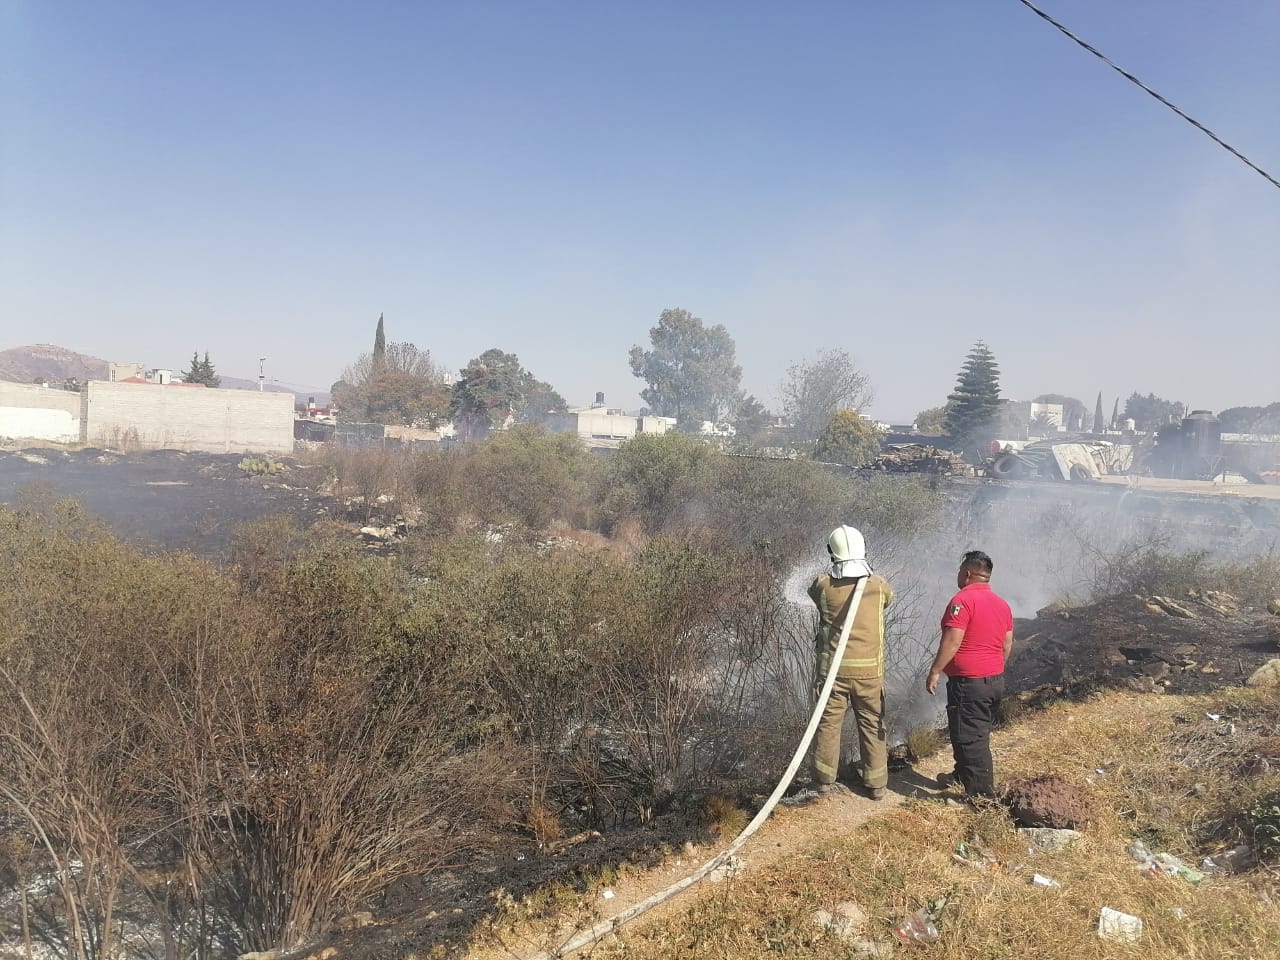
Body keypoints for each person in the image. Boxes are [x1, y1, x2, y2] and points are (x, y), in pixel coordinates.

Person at [809, 524, 894, 800]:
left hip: (833, 673)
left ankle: (823, 781)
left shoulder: (823, 585)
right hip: (869, 673)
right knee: (872, 724)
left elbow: (815, 591)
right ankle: (877, 784)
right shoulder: (878, 585)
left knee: (828, 724)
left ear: (832, 553)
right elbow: (887, 600)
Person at [925, 550, 1014, 798]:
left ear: (966, 573)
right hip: (994, 681)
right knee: (968, 731)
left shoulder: (961, 602)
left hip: (970, 684)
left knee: (971, 739)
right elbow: (1007, 644)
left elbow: (952, 641)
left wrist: (935, 671)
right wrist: (994, 670)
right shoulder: (1002, 604)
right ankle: (962, 775)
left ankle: (982, 798)